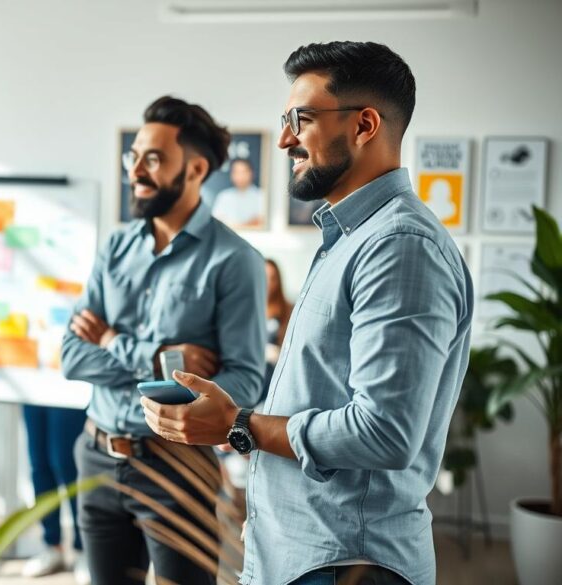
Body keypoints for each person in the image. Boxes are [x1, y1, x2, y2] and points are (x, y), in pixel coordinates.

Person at [143, 42, 473, 585]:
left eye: (301, 119)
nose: (283, 139)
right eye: (284, 120)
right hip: (303, 550)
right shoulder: (349, 238)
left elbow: (384, 431)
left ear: (365, 124)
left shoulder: (399, 246)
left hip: (345, 563)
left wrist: (238, 425)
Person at [62, 95, 267, 585]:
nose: (135, 170)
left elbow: (243, 380)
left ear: (195, 169)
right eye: (133, 156)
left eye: (153, 158)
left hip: (178, 464)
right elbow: (71, 356)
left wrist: (110, 340)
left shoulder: (235, 261)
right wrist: (158, 360)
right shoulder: (114, 247)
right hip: (96, 454)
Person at [19, 404, 88, 579]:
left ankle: (83, 548)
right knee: (39, 466)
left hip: (67, 389)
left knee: (67, 464)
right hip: (33, 388)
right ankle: (52, 546)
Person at [263, 258, 292, 391]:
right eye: (264, 278)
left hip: (277, 372)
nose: (268, 283)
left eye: (272, 278)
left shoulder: (289, 311)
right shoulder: (246, 311)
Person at [211, 158, 265, 228]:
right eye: (236, 172)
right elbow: (217, 221)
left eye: (243, 172)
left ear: (251, 173)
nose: (240, 176)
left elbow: (261, 220)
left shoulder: (261, 196)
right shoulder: (224, 196)